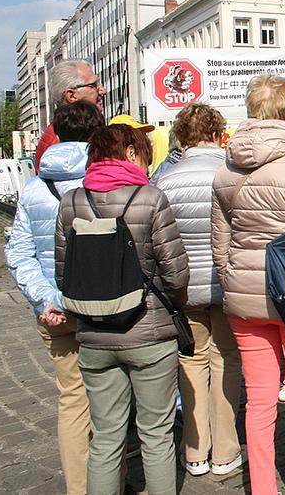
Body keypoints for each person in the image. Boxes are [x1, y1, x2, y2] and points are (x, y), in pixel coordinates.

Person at [54, 123, 189, 495]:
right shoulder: (149, 197)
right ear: (131, 152)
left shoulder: (72, 202)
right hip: (149, 333)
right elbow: (176, 273)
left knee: (105, 437)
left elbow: (64, 274)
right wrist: (174, 306)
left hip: (95, 337)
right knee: (157, 435)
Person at [212, 75, 285, 494]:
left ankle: (262, 488)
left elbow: (220, 237)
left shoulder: (227, 163)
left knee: (259, 399)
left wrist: (230, 280)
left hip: (244, 295)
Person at [6, 101, 104, 495]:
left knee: (73, 402)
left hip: (56, 313)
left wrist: (46, 298)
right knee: (115, 401)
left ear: (55, 135)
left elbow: (18, 252)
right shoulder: (108, 180)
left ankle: (80, 489)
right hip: (109, 310)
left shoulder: (34, 188)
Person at [152, 103, 242, 477]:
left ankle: (194, 451)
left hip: (183, 288)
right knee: (227, 362)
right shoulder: (231, 173)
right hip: (225, 284)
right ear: (218, 132)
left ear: (181, 136)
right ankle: (226, 450)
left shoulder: (164, 180)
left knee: (190, 362)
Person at [35, 60, 106, 171]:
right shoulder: (58, 146)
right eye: (94, 85)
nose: (102, 90)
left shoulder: (68, 135)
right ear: (71, 95)